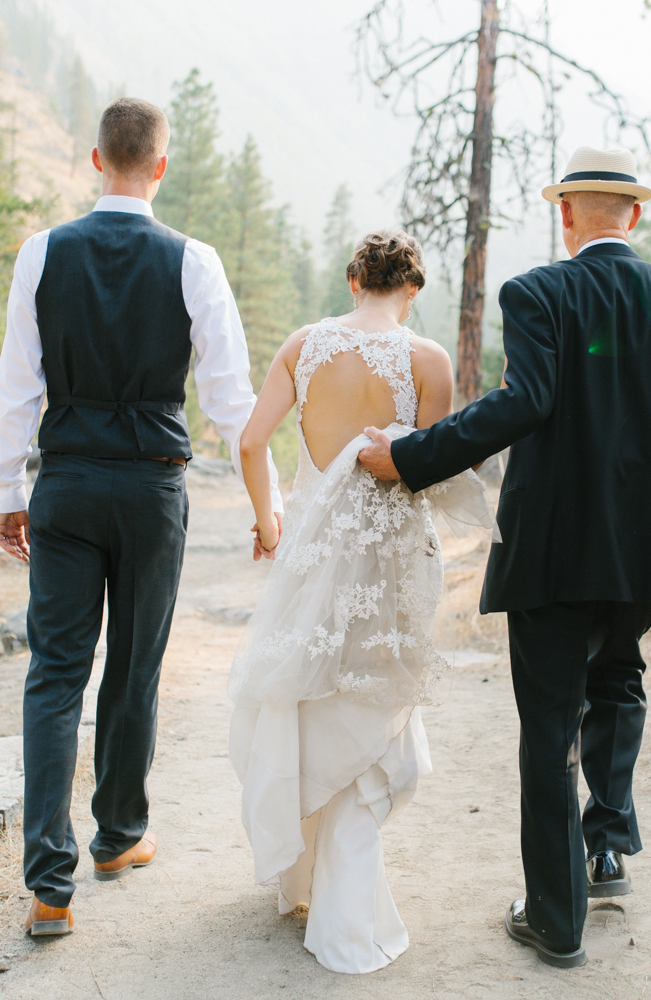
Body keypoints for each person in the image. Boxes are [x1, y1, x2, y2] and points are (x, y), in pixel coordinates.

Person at [358, 145, 651, 968]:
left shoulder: (538, 292)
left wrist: (413, 456)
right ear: (634, 215)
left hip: (552, 548)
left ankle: (557, 917)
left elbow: (524, 402)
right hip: (646, 551)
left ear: (565, 213)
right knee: (618, 678)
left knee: (549, 728)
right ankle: (605, 850)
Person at [0, 97, 283, 937]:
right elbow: (234, 405)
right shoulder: (195, 260)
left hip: (69, 485)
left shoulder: (42, 253)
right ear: (159, 166)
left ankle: (51, 883)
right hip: (154, 490)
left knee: (54, 675)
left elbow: (19, 385)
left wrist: (8, 492)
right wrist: (269, 510)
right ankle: (119, 836)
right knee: (134, 666)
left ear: (94, 161)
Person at [229, 231, 495, 973]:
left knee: (309, 702)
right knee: (370, 711)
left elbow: (253, 442)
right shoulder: (428, 360)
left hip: (312, 554)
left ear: (353, 280)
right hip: (392, 557)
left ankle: (301, 878)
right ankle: (345, 908)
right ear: (412, 288)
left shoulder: (303, 345)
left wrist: (270, 522)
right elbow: (437, 468)